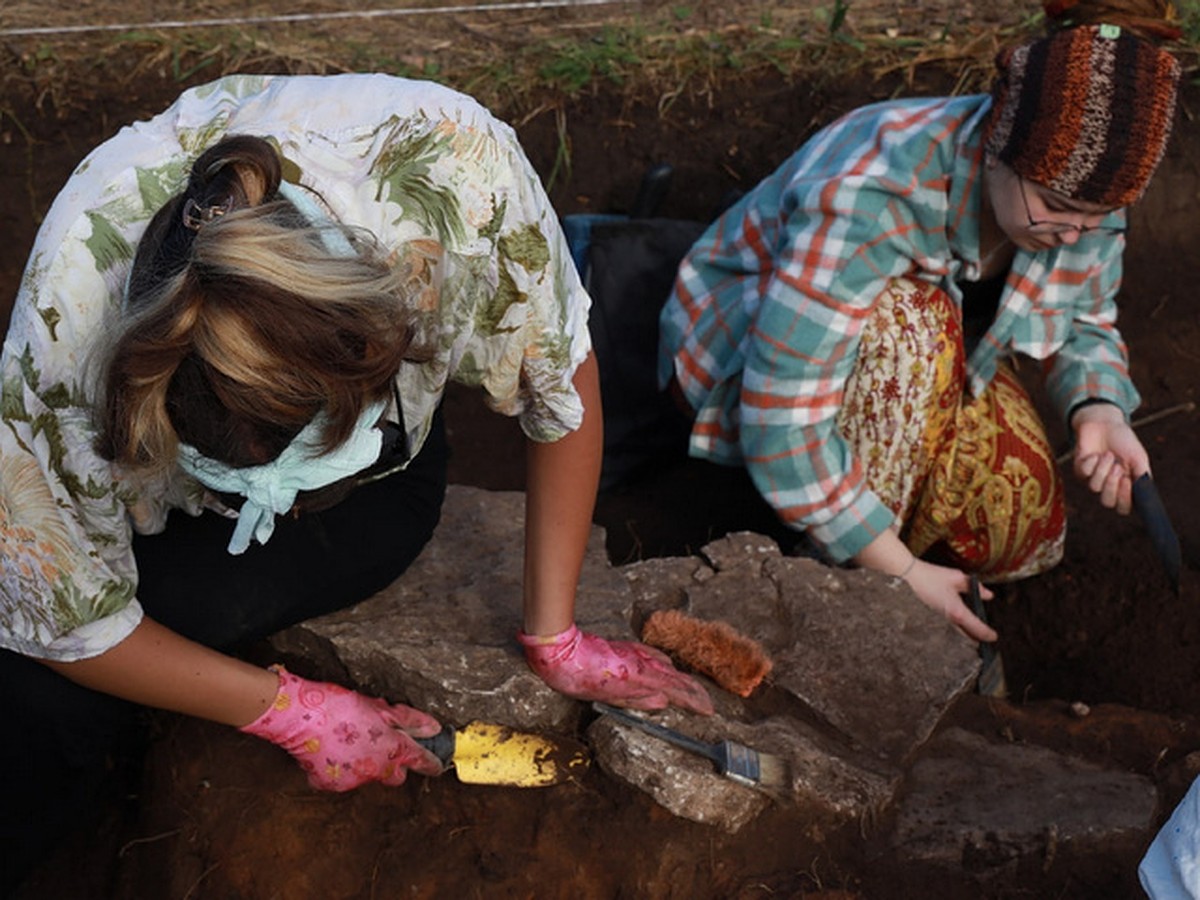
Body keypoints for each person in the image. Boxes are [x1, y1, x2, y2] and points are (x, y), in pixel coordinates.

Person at [0, 73, 712, 894]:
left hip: (383, 490)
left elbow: (561, 380)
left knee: (124, 654)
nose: (283, 508)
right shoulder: (64, 337)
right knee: (37, 691)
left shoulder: (458, 173)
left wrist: (556, 635)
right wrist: (287, 710)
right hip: (144, 475)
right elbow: (63, 618)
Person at [658, 0, 1182, 642]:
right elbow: (780, 415)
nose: (1077, 236)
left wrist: (1100, 409)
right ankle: (839, 586)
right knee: (908, 323)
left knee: (1018, 527)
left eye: (1098, 219)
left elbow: (1086, 320)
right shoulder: (875, 190)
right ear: (999, 145)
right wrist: (900, 570)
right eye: (1058, 208)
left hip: (923, 365)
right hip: (742, 363)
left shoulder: (1084, 201)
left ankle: (879, 521)